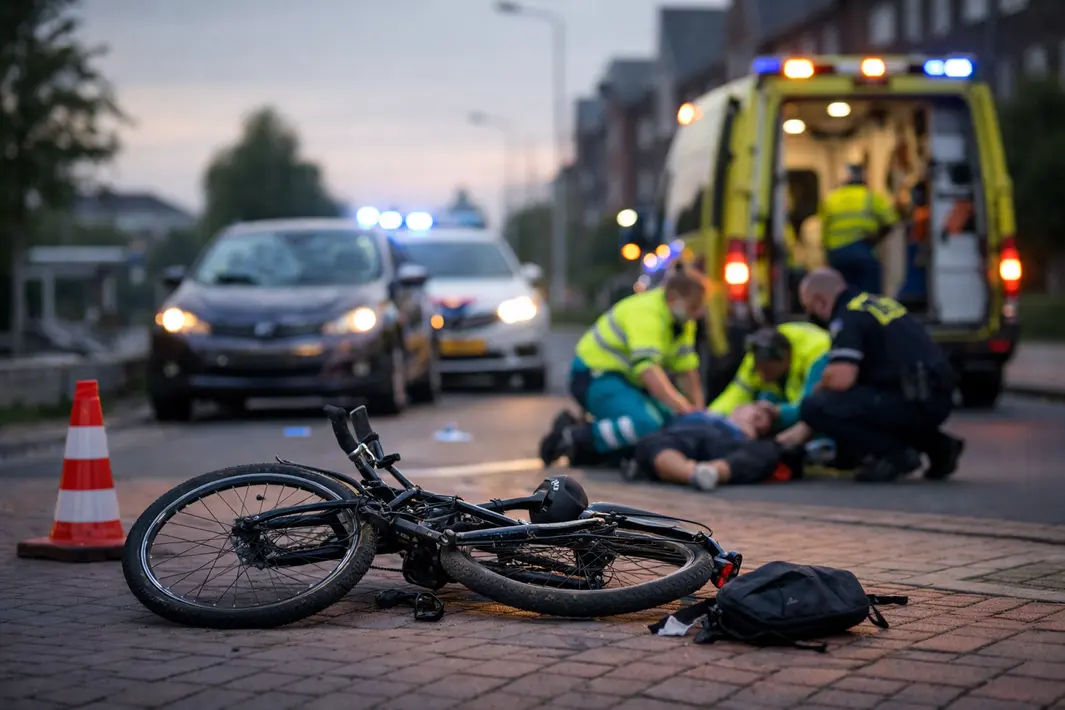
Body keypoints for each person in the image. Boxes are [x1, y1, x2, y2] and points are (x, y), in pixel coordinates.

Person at [796, 267, 965, 482]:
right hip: (935, 395)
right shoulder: (878, 304)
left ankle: (894, 455)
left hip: (910, 398)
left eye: (810, 308)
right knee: (870, 401)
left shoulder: (847, 316)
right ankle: (939, 447)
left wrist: (815, 397)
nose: (813, 316)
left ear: (820, 301)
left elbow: (841, 379)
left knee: (816, 406)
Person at [539, 261, 708, 466]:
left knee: (669, 424)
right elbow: (648, 370)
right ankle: (572, 438)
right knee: (645, 425)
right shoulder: (647, 313)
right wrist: (683, 407)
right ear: (673, 298)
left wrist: (698, 415)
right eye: (694, 307)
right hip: (594, 376)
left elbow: (688, 371)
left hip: (623, 381)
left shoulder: (682, 322)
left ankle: (595, 444)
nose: (698, 314)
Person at [628, 404, 790, 491]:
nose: (763, 423)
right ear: (739, 408)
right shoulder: (708, 415)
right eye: (758, 414)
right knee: (654, 441)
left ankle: (710, 472)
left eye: (768, 422)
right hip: (689, 431)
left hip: (731, 445)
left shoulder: (753, 441)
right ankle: (692, 474)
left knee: (766, 453)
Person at [709, 323, 830, 436]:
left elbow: (812, 408)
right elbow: (736, 393)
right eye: (759, 370)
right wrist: (708, 418)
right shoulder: (758, 356)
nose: (762, 376)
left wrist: (777, 413)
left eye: (767, 371)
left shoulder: (817, 357)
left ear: (784, 359)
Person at [818, 163, 900, 294]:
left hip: (837, 254)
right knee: (870, 297)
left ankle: (844, 314)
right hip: (863, 250)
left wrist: (826, 255)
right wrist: (876, 238)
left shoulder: (830, 199)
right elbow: (891, 221)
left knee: (841, 294)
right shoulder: (870, 196)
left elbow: (822, 230)